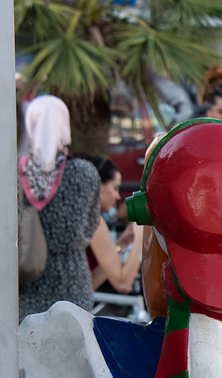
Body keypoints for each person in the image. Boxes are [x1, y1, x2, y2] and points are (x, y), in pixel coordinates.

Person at [19, 96, 115, 320]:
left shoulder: (20, 174)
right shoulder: (85, 171)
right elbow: (93, 223)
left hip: (30, 278)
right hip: (74, 280)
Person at [86, 157, 144, 295]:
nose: (118, 196)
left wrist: (122, 243)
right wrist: (140, 234)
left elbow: (91, 282)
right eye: (115, 188)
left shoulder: (84, 217)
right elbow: (123, 284)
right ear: (99, 186)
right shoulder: (94, 220)